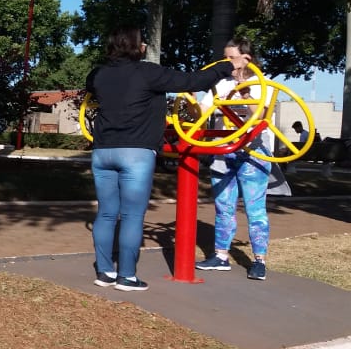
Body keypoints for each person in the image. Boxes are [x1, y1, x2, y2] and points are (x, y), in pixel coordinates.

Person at [86, 28, 234, 291]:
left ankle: (105, 272)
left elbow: (92, 88)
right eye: (142, 42)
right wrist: (225, 66)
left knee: (106, 213)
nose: (145, 46)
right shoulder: (148, 72)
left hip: (102, 151)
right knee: (132, 216)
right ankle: (127, 277)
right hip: (136, 153)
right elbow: (193, 81)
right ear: (137, 46)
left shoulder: (98, 74)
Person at [195, 37, 287, 281]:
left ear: (247, 58)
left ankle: (259, 260)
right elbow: (202, 111)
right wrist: (191, 101)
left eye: (231, 57)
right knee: (223, 206)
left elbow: (262, 116)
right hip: (223, 148)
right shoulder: (221, 83)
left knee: (255, 208)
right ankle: (220, 255)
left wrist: (245, 94)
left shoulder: (263, 83)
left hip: (253, 150)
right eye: (224, 57)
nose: (227, 62)